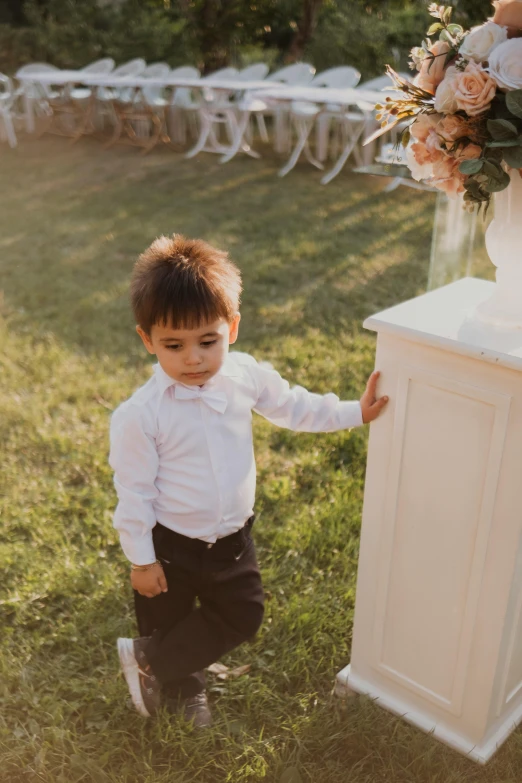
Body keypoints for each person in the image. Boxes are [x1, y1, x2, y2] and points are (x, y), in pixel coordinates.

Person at [110, 234, 388, 728]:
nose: (192, 358)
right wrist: (141, 559)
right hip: (170, 543)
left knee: (242, 613)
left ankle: (150, 659)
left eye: (207, 341)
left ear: (232, 328)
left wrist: (355, 412)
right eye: (174, 346)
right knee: (169, 619)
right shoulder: (140, 415)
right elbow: (134, 492)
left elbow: (296, 406)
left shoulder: (244, 377)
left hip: (234, 537)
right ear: (147, 340)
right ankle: (182, 686)